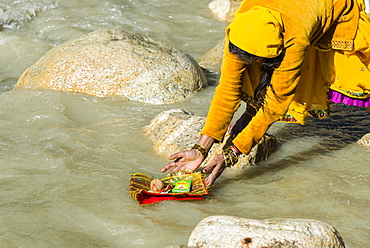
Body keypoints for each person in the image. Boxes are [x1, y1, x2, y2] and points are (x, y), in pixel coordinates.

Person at [161, 0, 370, 186]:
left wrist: (232, 153)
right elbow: (227, 90)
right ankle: (250, 112)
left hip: (325, 9)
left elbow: (276, 104)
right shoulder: (242, 26)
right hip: (282, 17)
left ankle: (251, 111)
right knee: (247, 73)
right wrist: (201, 148)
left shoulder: (295, 40)